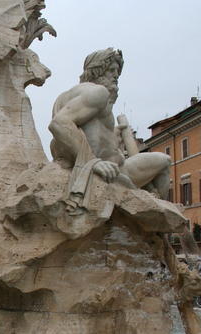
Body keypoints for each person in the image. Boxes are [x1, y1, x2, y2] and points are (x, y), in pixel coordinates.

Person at [49, 48, 171, 215]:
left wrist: (113, 136)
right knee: (164, 161)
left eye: (117, 73)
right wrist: (94, 162)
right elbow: (59, 124)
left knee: (160, 163)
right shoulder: (98, 93)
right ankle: (158, 228)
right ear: (98, 70)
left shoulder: (70, 95)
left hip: (108, 166)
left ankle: (155, 216)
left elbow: (86, 133)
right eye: (111, 70)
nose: (115, 76)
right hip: (111, 170)